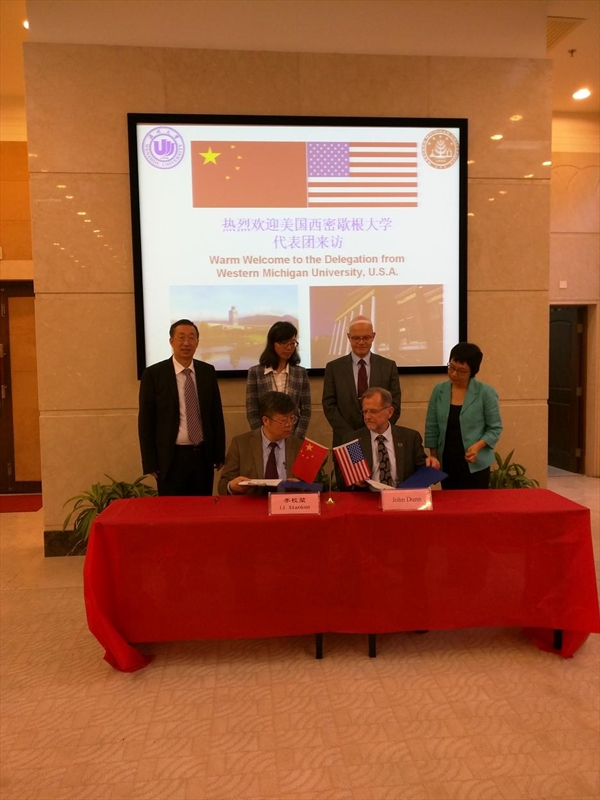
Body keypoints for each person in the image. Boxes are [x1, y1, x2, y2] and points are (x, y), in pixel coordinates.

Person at [138, 318, 225, 496]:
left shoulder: (207, 371)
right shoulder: (154, 374)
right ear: (171, 341)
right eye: (181, 337)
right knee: (172, 510)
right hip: (170, 458)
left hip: (202, 456)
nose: (186, 343)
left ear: (197, 342)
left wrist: (218, 453)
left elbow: (216, 415)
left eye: (191, 338)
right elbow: (146, 421)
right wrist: (150, 462)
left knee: (201, 508)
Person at [322, 315, 401, 488]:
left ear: (373, 336)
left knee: (378, 488)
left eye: (366, 337)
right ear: (348, 337)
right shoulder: (334, 368)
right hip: (346, 441)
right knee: (351, 489)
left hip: (379, 440)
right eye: (356, 338)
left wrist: (379, 430)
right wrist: (351, 436)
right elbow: (329, 405)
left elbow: (394, 404)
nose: (361, 342)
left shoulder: (388, 366)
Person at [425, 342, 502, 490]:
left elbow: (495, 428)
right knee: (450, 502)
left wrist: (478, 446)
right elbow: (432, 426)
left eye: (461, 371)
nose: (454, 374)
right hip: (447, 462)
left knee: (475, 503)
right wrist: (433, 456)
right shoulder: (439, 390)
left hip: (475, 463)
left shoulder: (485, 392)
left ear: (472, 371)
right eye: (451, 367)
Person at [342, 387, 439, 489]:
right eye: (365, 411)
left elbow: (422, 470)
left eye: (373, 411)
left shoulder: (410, 438)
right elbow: (344, 479)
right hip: (368, 496)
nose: (367, 417)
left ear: (389, 412)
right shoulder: (355, 441)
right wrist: (354, 479)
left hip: (402, 496)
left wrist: (431, 466)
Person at [219, 391, 303, 495]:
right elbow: (223, 485)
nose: (289, 425)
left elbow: (315, 486)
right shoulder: (240, 444)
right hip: (251, 503)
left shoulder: (300, 446)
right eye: (283, 420)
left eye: (292, 419)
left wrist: (301, 486)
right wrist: (232, 486)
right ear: (266, 420)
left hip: (286, 503)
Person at [246, 321, 311, 439]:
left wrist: (296, 438)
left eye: (292, 343)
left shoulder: (300, 373)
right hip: (265, 437)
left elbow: (306, 410)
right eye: (284, 343)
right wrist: (263, 437)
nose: (289, 347)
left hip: (292, 437)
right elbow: (252, 411)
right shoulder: (255, 372)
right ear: (272, 343)